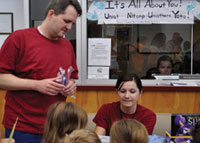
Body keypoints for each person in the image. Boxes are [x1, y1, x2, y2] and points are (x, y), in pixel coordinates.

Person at [0, 0, 82, 143]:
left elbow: (72, 77)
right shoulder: (19, 38)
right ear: (51, 14)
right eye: (66, 21)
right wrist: (36, 85)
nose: (69, 27)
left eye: (72, 24)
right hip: (22, 126)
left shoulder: (67, 45)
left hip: (57, 126)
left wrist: (71, 85)